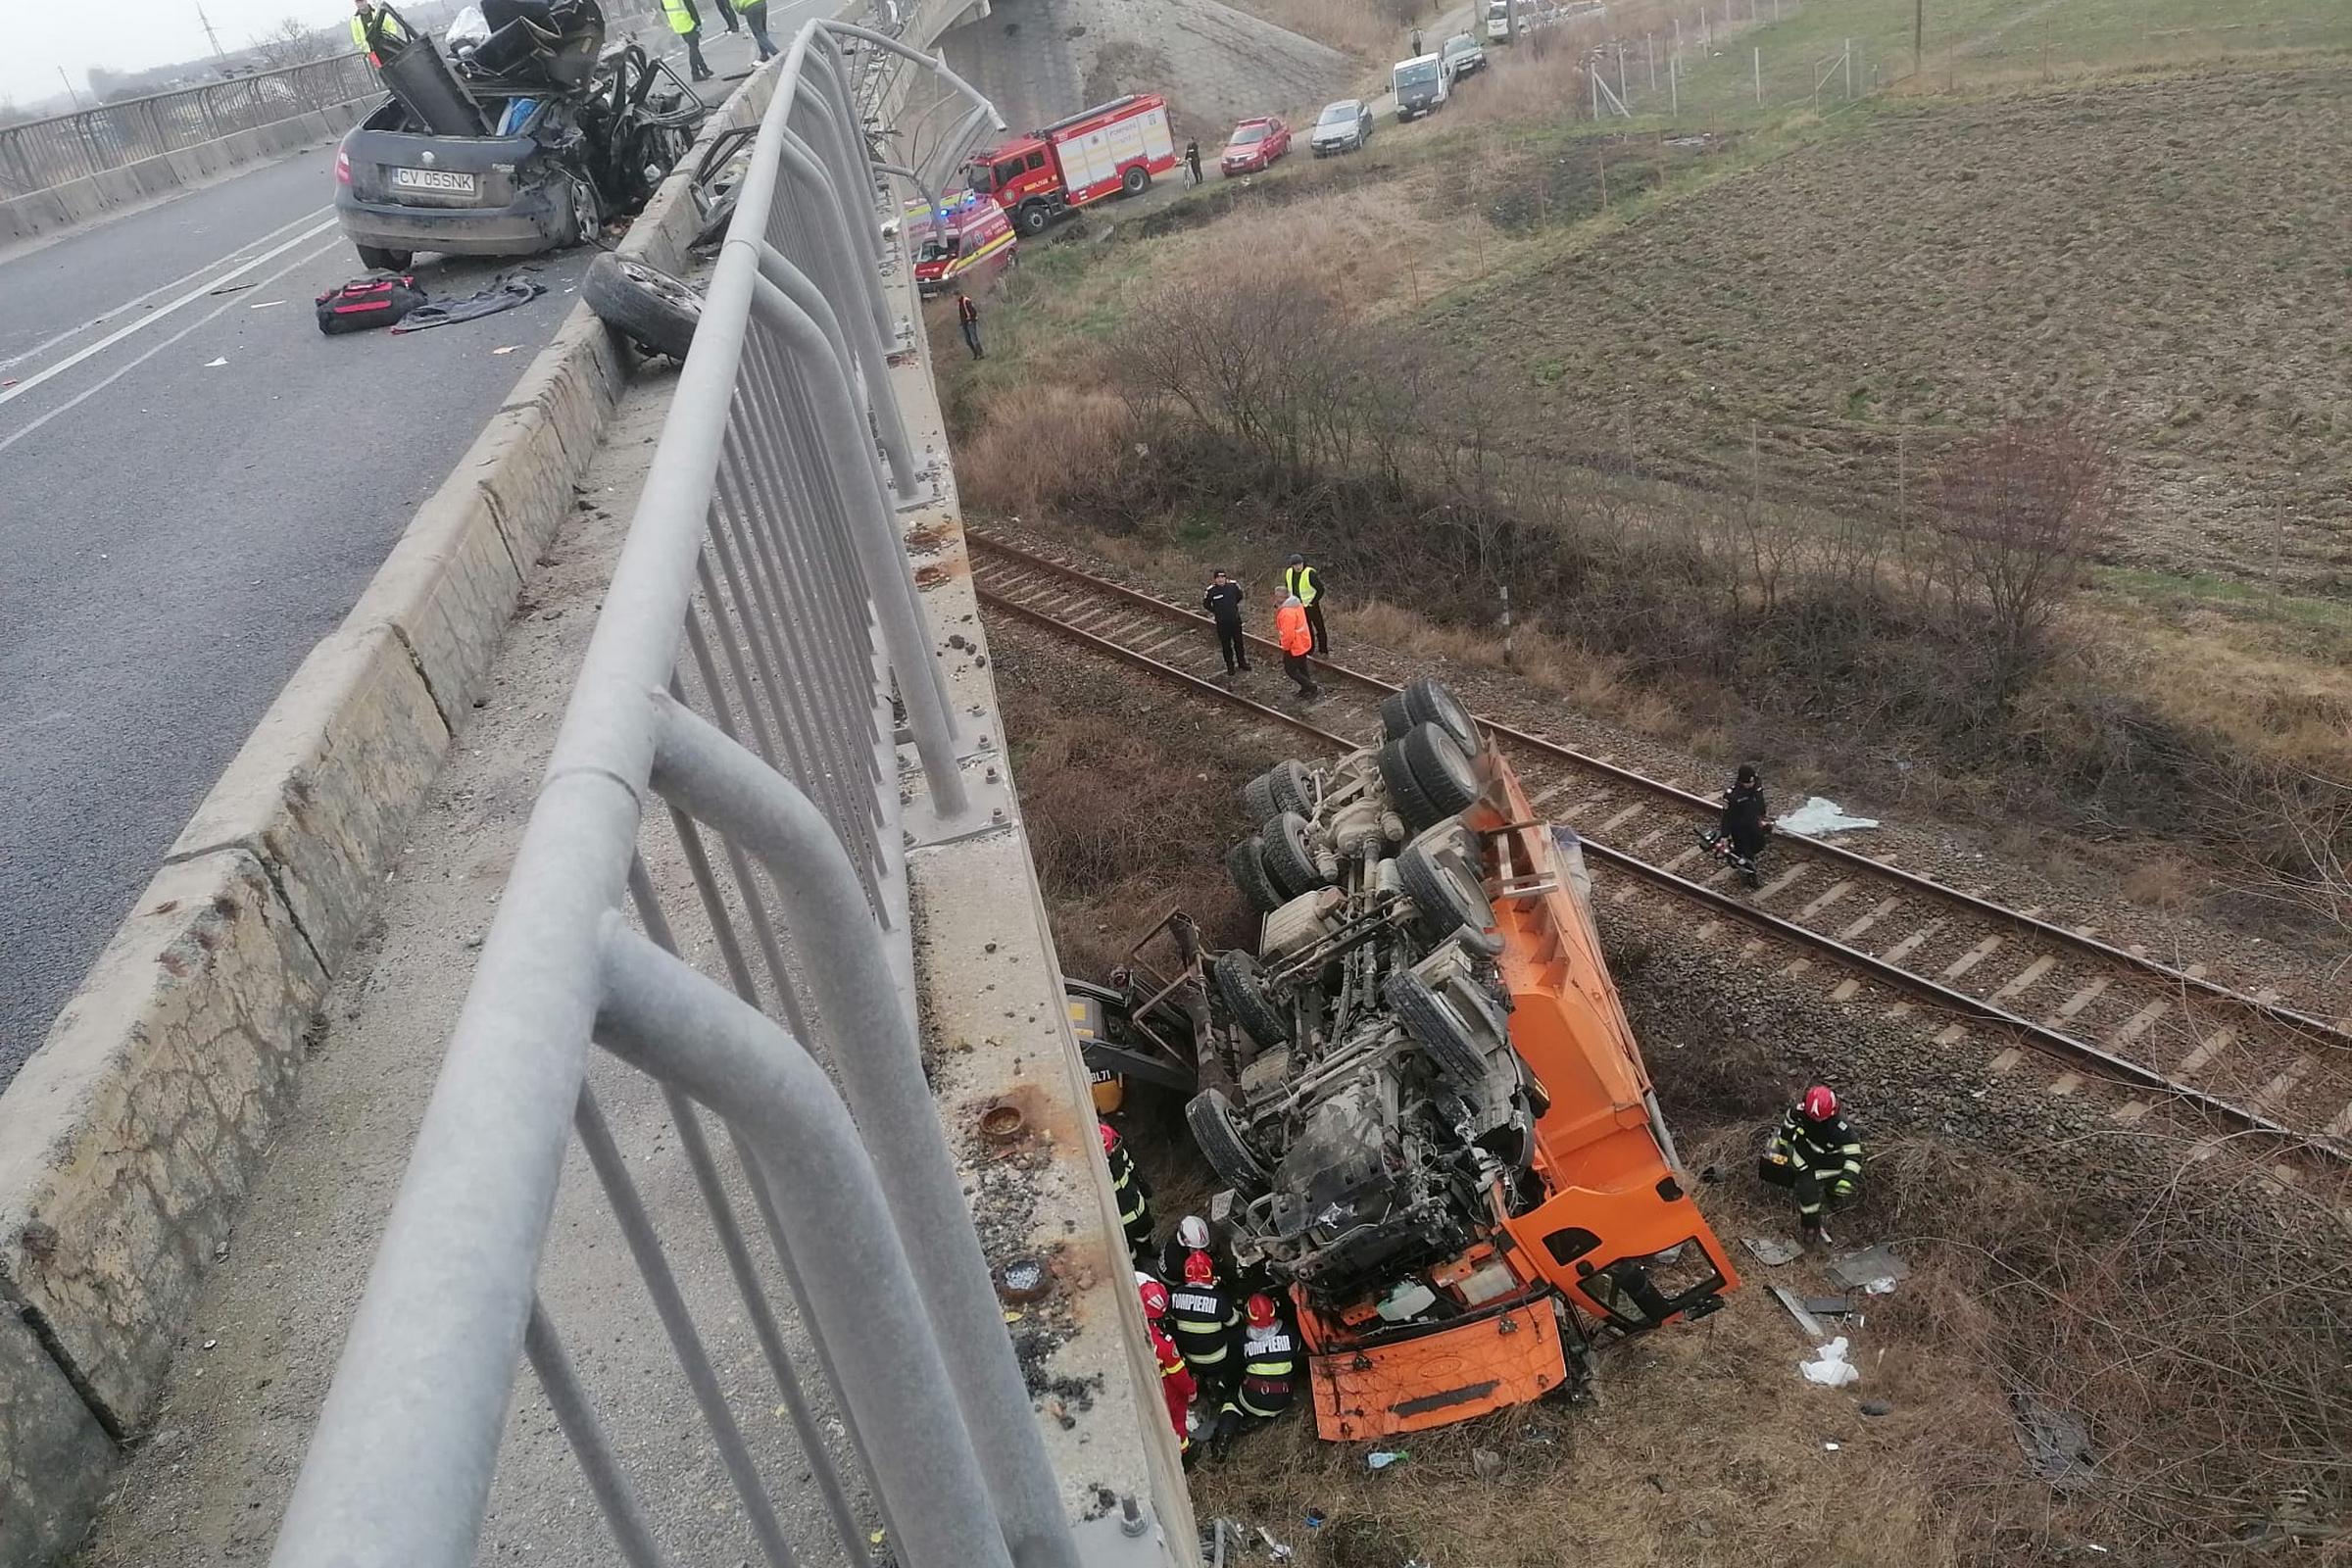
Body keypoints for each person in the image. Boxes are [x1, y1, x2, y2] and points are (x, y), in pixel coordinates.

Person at [1760, 1084, 1864, 1243]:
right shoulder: (1800, 1111)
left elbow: (1854, 1155)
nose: (1817, 1120)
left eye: (1820, 1118)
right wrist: (1784, 1144)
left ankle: (1834, 1196)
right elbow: (1788, 1124)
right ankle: (1811, 1226)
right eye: (1814, 1117)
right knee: (1807, 1191)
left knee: (1836, 1185)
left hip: (1830, 1161)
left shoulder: (1839, 1127)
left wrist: (1847, 1178)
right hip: (1804, 1156)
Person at [1214, 1292, 1299, 1449]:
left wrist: (1224, 1385)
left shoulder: (1241, 1339)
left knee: (1233, 1403)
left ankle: (1223, 1438)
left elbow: (1233, 1369)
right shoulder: (1290, 1333)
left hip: (1253, 1397)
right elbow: (1295, 1359)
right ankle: (1263, 1418)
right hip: (1284, 1398)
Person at [1168, 1249, 1242, 1415]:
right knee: (1238, 1337)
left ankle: (1201, 1379)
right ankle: (1224, 1383)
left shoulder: (1176, 1295)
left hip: (1191, 1358)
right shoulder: (1218, 1299)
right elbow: (1235, 1322)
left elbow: (1173, 1320)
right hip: (1219, 1358)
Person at [1140, 1278, 1197, 1461]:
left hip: (1146, 1389)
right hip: (1168, 1391)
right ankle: (1184, 1456)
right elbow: (1178, 1374)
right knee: (1177, 1422)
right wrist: (1191, 1390)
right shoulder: (1164, 1344)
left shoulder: (1138, 1334)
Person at [1700, 763, 1771, 887]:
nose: (1752, 784)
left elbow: (1760, 801)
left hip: (1753, 822)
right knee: (1747, 853)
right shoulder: (1732, 795)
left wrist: (1762, 816)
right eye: (1749, 782)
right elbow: (1727, 816)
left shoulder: (1756, 785)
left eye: (1753, 781)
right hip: (1739, 828)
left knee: (1760, 844)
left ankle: (1738, 853)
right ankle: (1750, 876)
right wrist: (1725, 835)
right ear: (1742, 781)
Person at [1102, 1120, 1153, 1258]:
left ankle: (1147, 1252)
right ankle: (1137, 1268)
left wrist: (1144, 1187)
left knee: (1144, 1233)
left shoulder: (1119, 1155)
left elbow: (1132, 1169)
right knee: (1129, 1253)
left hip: (1137, 1206)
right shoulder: (1099, 1173)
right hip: (1121, 1222)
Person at [1203, 569, 1249, 675]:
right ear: (1215, 579)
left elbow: (1239, 596)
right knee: (1226, 645)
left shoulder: (1233, 586)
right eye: (1218, 577)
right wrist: (1217, 611)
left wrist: (1232, 607)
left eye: (1222, 577)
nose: (1221, 579)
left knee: (1239, 643)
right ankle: (1230, 666)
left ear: (1225, 578)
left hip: (1235, 620)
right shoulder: (1211, 591)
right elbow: (1206, 604)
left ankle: (1242, 663)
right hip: (1222, 623)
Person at [1275, 594, 1320, 700]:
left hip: (1294, 646)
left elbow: (1288, 634)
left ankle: (1311, 687)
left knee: (1290, 670)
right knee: (1302, 666)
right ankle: (1306, 688)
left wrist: (1285, 647)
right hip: (1303, 642)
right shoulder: (1296, 604)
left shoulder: (1286, 613)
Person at [1282, 553, 1328, 655]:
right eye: (1295, 565)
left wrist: (1313, 602)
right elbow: (1287, 587)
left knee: (1319, 627)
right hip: (1298, 606)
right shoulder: (1289, 573)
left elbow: (1321, 589)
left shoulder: (1310, 573)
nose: (1298, 567)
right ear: (1292, 566)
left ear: (1303, 563)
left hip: (1311, 605)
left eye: (1299, 564)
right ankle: (1309, 649)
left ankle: (1323, 650)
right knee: (1306, 629)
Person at [1158, 1213, 1219, 1288]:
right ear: (1185, 1246)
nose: (1199, 1252)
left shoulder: (1179, 1237)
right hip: (1172, 1283)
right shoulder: (1176, 1261)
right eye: (1195, 1249)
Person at [660, 0, 715, 80]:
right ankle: (697, 72)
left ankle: (701, 70)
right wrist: (698, 23)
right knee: (694, 48)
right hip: (688, 21)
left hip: (677, 23)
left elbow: (663, 8)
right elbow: (691, 8)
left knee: (693, 47)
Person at [350, 0, 407, 66]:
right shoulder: (354, 20)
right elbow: (357, 38)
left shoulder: (378, 12)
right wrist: (366, 50)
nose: (360, 4)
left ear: (366, 1)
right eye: (358, 2)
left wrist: (391, 39)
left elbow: (391, 26)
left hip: (387, 46)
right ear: (355, 4)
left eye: (362, 1)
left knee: (397, 65)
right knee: (382, 70)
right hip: (372, 52)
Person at [956, 291, 983, 360]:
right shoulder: (959, 303)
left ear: (959, 295)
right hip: (964, 323)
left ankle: (980, 354)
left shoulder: (966, 301)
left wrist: (971, 319)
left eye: (956, 296)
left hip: (970, 322)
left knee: (974, 339)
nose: (955, 298)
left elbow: (973, 311)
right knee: (968, 340)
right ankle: (975, 354)